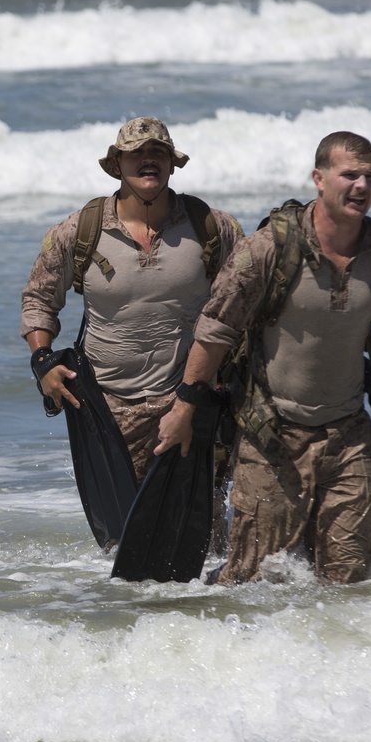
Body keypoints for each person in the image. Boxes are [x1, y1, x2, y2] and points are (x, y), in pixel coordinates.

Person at [155, 131, 371, 584]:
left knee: (349, 583)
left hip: (349, 437)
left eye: (370, 176)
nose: (362, 186)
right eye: (350, 175)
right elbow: (215, 331)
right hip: (272, 436)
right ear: (319, 178)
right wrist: (184, 407)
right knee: (253, 584)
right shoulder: (270, 248)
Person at [21, 117, 243, 547]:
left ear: (171, 164)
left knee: (203, 537)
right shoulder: (80, 231)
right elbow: (38, 300)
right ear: (117, 164)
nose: (148, 160)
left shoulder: (212, 228)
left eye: (158, 152)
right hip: (108, 407)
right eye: (137, 153)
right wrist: (43, 363)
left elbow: (251, 301)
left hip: (190, 401)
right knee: (124, 546)